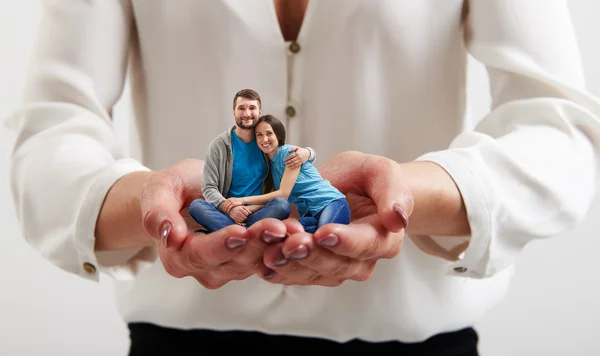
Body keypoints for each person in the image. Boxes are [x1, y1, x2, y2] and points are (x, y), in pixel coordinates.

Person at [5, 1, 600, 354]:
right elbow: (52, 134)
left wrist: (405, 195)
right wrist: (155, 206)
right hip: (177, 340)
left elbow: (557, 133)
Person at [187, 89, 316, 233]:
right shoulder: (219, 146)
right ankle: (248, 234)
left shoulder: (265, 142)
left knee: (281, 205)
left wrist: (309, 152)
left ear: (260, 112)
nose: (247, 113)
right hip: (227, 213)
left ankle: (232, 233)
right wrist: (230, 210)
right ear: (233, 112)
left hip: (259, 212)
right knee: (196, 206)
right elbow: (209, 187)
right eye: (241, 108)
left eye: (252, 108)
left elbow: (288, 152)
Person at [221, 114, 350, 234]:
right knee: (287, 233)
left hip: (331, 203)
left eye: (269, 133)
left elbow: (283, 194)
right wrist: (244, 210)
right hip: (311, 215)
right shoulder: (269, 167)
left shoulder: (289, 153)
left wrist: (241, 200)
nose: (264, 139)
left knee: (325, 234)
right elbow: (271, 199)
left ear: (278, 135)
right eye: (259, 135)